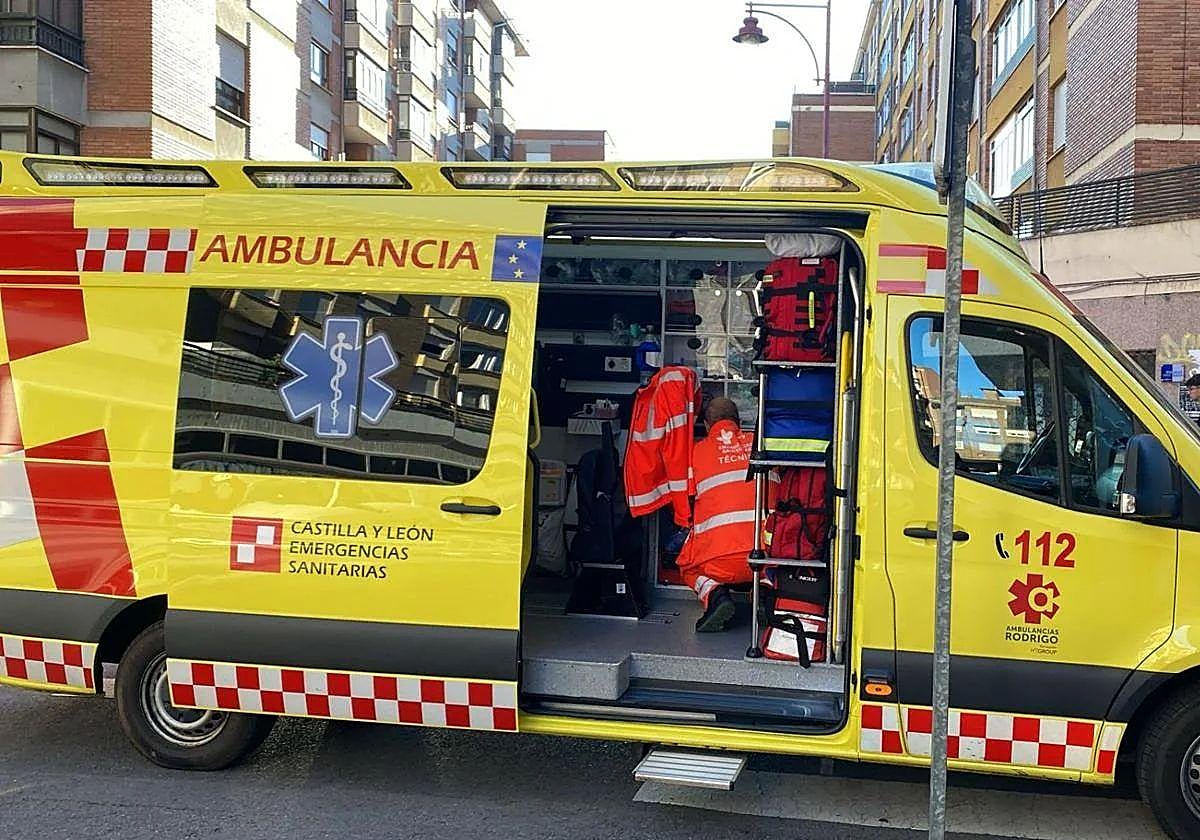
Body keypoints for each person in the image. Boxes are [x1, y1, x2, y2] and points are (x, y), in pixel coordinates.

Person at [676, 397, 758, 632]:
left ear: (707, 424)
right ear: (739, 422)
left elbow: (688, 497)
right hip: (764, 557)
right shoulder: (759, 446)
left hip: (719, 559)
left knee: (687, 564)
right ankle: (766, 593)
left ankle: (716, 596)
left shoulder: (697, 452)